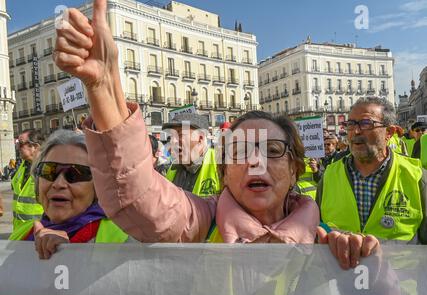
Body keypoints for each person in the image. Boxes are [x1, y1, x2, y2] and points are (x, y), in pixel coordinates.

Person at [53, 0, 376, 267]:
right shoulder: (202, 223)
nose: (255, 162)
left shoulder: (329, 242)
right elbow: (139, 197)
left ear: (295, 169)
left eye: (273, 150)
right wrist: (104, 87)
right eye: (239, 151)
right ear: (223, 173)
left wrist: (364, 263)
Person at [317, 96, 427, 269]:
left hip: (401, 291)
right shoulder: (329, 175)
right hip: (341, 288)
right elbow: (319, 231)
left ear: (389, 133)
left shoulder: (418, 178)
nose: (356, 131)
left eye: (366, 123)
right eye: (351, 124)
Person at [9, 130, 130, 259]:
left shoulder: (125, 237)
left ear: (97, 187)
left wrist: (70, 255)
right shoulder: (22, 234)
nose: (58, 183)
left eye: (75, 174)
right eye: (48, 171)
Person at [163, 113, 221, 197]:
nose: (173, 141)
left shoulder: (221, 165)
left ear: (200, 138)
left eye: (180, 134)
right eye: (172, 136)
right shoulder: (172, 168)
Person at [11, 130, 44, 232]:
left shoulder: (48, 168)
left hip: (39, 231)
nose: (17, 147)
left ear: (35, 147)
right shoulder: (22, 166)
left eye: (21, 144)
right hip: (18, 231)